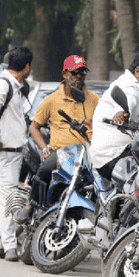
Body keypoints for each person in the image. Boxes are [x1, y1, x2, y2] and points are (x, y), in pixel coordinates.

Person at [16, 55, 100, 224]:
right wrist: (44, 147)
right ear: (65, 74)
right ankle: (30, 206)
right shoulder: (52, 100)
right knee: (44, 170)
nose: (79, 77)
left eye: (82, 73)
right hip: (61, 153)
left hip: (87, 154)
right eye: (75, 73)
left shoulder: (94, 100)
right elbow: (34, 126)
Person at [0, 46, 33, 262]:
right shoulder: (3, 84)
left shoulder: (15, 85)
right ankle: (10, 247)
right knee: (9, 201)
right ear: (27, 66)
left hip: (10, 153)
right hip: (3, 154)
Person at [90, 51, 139, 180]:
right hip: (110, 156)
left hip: (123, 152)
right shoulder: (130, 85)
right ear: (138, 71)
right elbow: (128, 100)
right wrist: (123, 113)